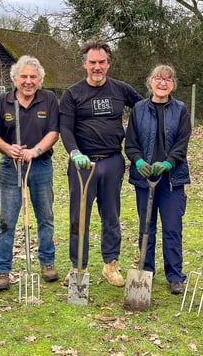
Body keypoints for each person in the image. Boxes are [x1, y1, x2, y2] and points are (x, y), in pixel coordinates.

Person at [59, 37, 142, 287]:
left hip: (112, 161)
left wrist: (133, 133)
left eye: (102, 62)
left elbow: (144, 109)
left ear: (108, 64)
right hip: (83, 164)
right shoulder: (73, 93)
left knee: (111, 215)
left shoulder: (121, 89)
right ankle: (78, 266)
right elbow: (65, 127)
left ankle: (110, 264)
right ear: (84, 64)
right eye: (93, 62)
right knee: (79, 216)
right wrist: (74, 152)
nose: (97, 67)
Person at [0, 55, 60, 290]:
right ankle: (1, 269)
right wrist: (9, 149)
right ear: (14, 78)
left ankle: (47, 262)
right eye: (24, 77)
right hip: (10, 167)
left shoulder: (48, 99)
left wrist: (36, 151)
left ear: (40, 80)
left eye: (33, 77)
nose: (28, 81)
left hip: (40, 166)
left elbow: (53, 132)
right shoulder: (1, 102)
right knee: (6, 220)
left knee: (45, 217)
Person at [124, 65, 191, 295]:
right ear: (150, 82)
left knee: (172, 228)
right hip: (145, 180)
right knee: (146, 228)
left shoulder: (180, 109)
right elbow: (130, 144)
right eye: (158, 79)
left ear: (173, 84)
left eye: (168, 79)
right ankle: (146, 272)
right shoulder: (139, 110)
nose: (162, 83)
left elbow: (182, 142)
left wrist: (169, 163)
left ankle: (175, 275)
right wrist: (139, 162)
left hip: (172, 180)